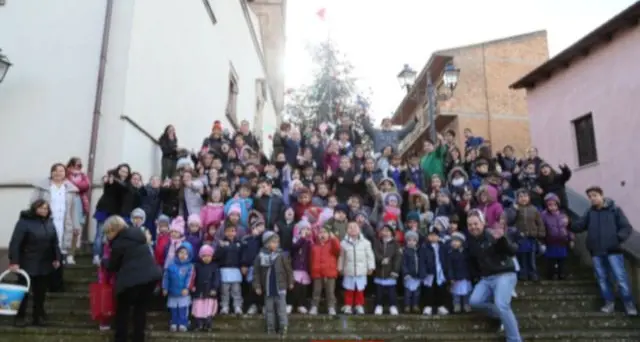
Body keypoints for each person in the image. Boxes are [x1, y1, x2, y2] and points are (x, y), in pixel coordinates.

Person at [570, 186, 637, 316]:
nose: (592, 199)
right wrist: (568, 224)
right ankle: (609, 303)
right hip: (596, 252)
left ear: (601, 195)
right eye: (590, 197)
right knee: (602, 279)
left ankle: (629, 305)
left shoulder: (614, 210)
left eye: (594, 195)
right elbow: (580, 226)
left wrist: (617, 239)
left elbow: (626, 227)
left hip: (613, 251)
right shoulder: (590, 212)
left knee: (620, 278)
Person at [466, 209, 521, 342]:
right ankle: (505, 317)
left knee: (502, 304)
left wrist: (502, 239)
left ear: (483, 223)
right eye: (470, 225)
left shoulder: (493, 234)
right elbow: (473, 262)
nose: (473, 227)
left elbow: (512, 250)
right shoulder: (472, 241)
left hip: (504, 274)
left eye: (475, 223)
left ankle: (514, 339)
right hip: (486, 278)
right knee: (474, 301)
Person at [105, 215, 162, 342]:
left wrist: (104, 262)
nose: (107, 236)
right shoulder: (138, 235)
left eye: (107, 232)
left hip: (131, 280)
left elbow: (113, 266)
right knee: (140, 309)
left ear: (113, 229)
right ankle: (138, 337)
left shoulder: (119, 243)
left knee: (123, 309)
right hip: (150, 277)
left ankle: (121, 337)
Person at [8, 199, 62, 327]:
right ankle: (20, 317)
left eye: (46, 208)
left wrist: (57, 258)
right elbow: (15, 243)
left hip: (45, 264)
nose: (44, 210)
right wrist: (14, 261)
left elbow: (54, 243)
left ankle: (38, 316)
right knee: (23, 292)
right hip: (27, 264)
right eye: (41, 208)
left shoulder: (50, 223)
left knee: (40, 293)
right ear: (35, 208)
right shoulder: (24, 223)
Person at [253, 230, 294, 336]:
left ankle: (283, 326)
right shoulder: (260, 256)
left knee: (281, 309)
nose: (276, 244)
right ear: (266, 243)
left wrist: (290, 281)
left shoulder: (281, 255)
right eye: (273, 242)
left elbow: (288, 270)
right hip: (268, 288)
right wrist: (257, 286)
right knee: (269, 309)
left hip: (280, 287)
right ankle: (270, 327)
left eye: (277, 242)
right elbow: (256, 273)